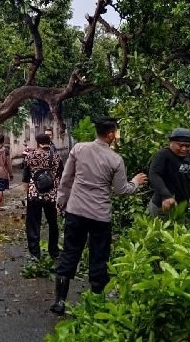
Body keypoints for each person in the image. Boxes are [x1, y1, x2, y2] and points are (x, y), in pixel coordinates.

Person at [50, 117, 148, 315]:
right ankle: (96, 304)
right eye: (116, 133)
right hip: (100, 215)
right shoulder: (115, 159)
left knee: (70, 252)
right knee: (99, 256)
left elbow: (66, 178)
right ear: (111, 134)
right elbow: (121, 190)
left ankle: (59, 301)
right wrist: (136, 182)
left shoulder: (79, 149)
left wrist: (61, 202)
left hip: (76, 211)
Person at [148, 127, 190, 216]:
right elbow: (154, 175)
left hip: (181, 206)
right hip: (163, 205)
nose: (184, 149)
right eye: (180, 145)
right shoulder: (164, 155)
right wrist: (166, 196)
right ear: (171, 143)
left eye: (187, 146)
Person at [22, 133, 62, 260]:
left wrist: (27, 195)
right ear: (49, 142)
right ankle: (54, 251)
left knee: (33, 223)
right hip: (51, 195)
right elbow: (60, 176)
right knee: (53, 223)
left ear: (37, 143)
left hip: (34, 194)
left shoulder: (30, 156)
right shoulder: (56, 157)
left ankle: (35, 253)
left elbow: (26, 178)